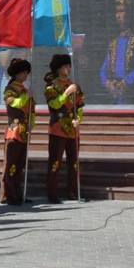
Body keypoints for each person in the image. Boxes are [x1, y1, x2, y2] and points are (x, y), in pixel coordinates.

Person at [44, 54, 84, 204]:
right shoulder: (52, 86)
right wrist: (66, 93)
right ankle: (52, 193)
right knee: (55, 162)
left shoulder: (75, 86)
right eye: (64, 66)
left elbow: (79, 106)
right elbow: (54, 104)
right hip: (58, 128)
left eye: (69, 66)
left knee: (74, 163)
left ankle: (73, 191)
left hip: (72, 129)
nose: (67, 68)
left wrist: (78, 119)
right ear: (58, 68)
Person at [0, 58, 34, 206]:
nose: (26, 75)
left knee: (19, 166)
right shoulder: (10, 90)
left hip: (24, 131)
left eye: (27, 72)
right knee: (10, 165)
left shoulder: (25, 89)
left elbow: (31, 110)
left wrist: (31, 124)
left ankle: (18, 194)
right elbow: (16, 103)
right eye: (23, 72)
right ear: (17, 73)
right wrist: (27, 96)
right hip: (13, 131)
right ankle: (7, 195)